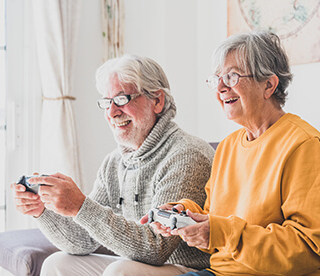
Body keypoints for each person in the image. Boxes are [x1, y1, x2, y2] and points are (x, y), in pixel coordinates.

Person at [142, 31, 320, 275]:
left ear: (269, 85)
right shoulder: (228, 147)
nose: (220, 87)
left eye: (231, 76)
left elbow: (308, 248)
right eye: (217, 78)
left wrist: (219, 232)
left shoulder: (304, 146)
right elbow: (217, 218)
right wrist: (185, 215)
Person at [11, 54, 214, 276]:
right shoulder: (115, 162)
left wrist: (81, 206)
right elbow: (82, 242)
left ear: (157, 101)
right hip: (143, 266)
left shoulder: (186, 155)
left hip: (192, 270)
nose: (111, 112)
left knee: (120, 270)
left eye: (121, 99)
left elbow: (156, 249)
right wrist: (42, 211)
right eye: (107, 102)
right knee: (57, 263)